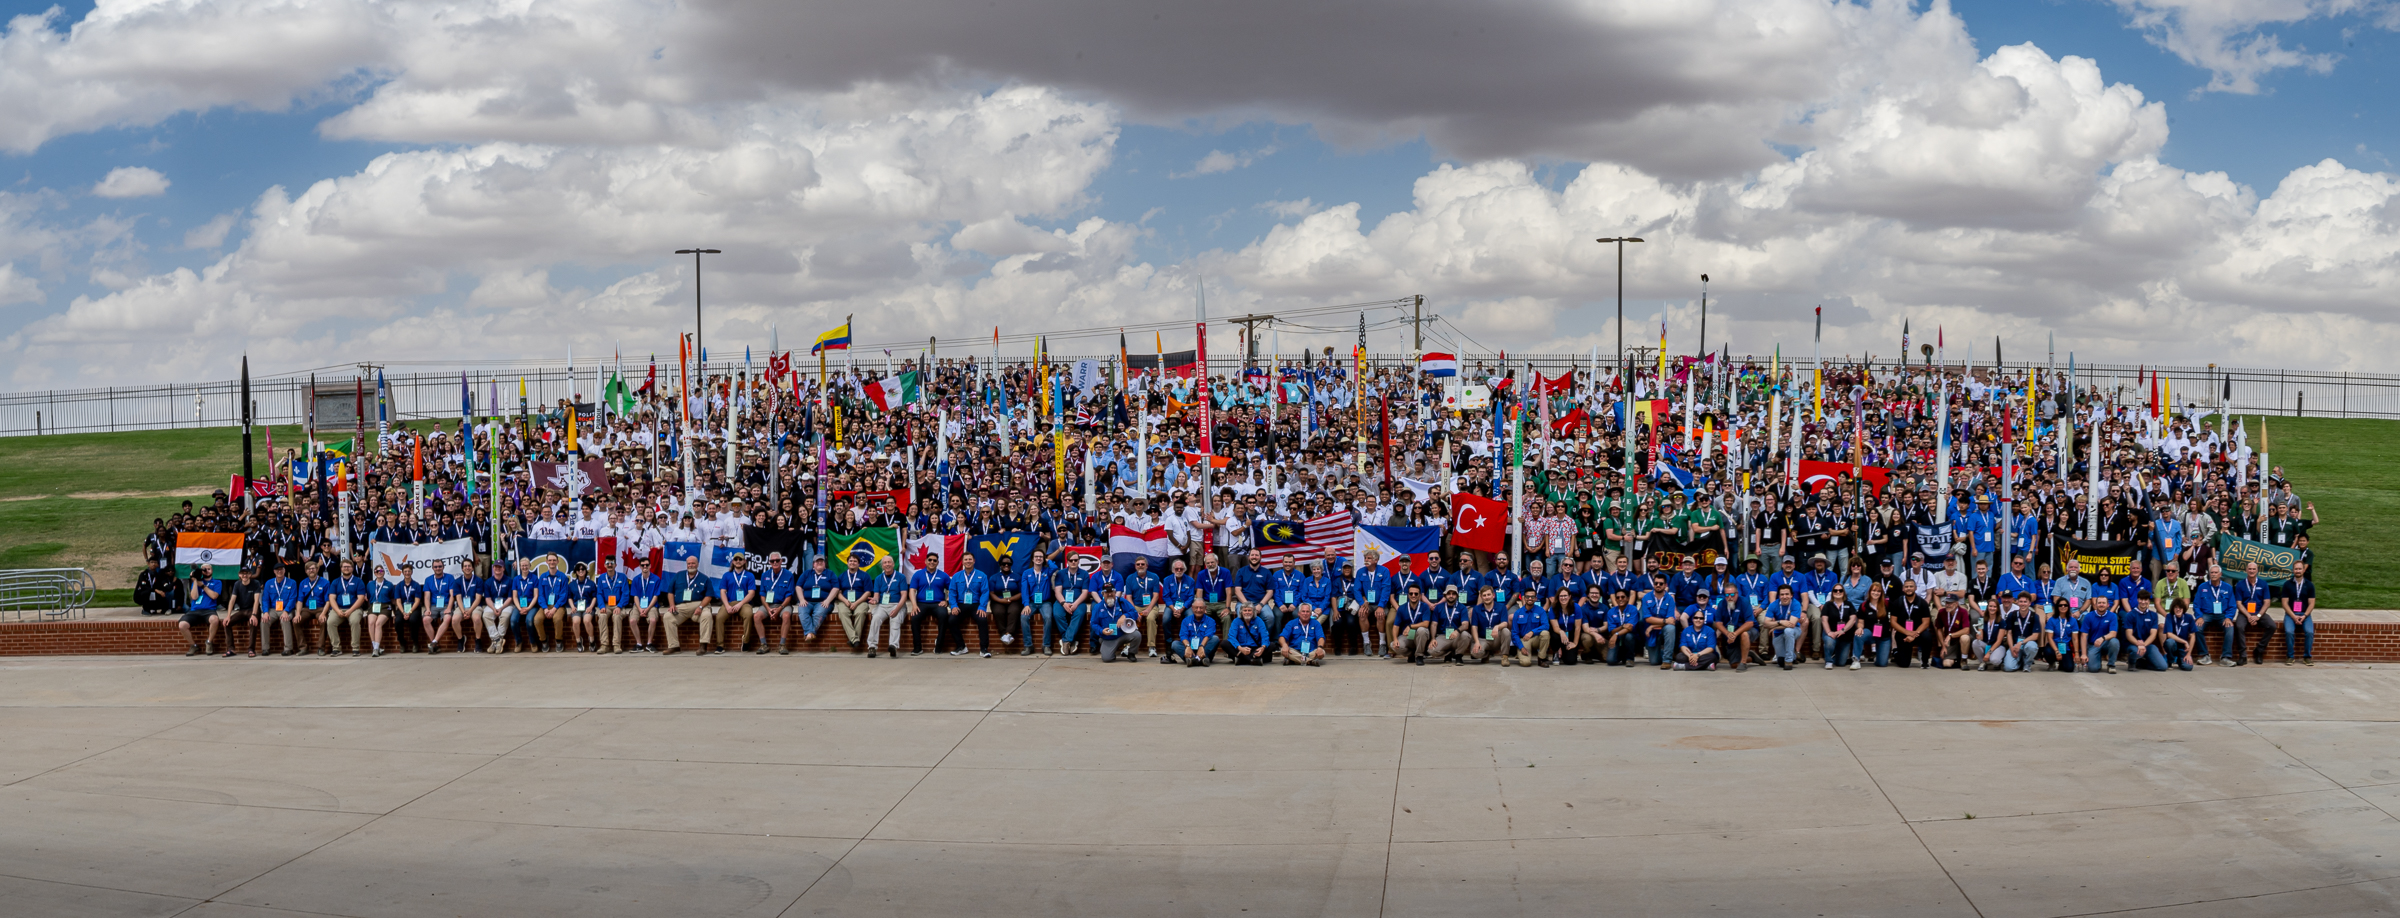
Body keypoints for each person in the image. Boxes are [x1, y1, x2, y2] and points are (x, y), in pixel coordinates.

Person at [660, 556, 713, 655]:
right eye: (689, 563)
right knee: (668, 617)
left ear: (697, 564)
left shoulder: (704, 578)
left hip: (699, 605)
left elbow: (709, 596)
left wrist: (700, 607)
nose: (691, 565)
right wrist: (671, 605)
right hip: (681, 607)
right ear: (686, 564)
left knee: (707, 616)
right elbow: (670, 592)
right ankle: (674, 646)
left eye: (693, 563)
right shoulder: (678, 576)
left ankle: (703, 646)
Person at [2230, 561, 2275, 666]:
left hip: (2260, 612)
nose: (2251, 571)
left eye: (2254, 569)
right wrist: (2249, 616)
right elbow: (2239, 603)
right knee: (2239, 626)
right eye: (2249, 569)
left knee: (2272, 626)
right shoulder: (2240, 584)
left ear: (2257, 570)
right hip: (2245, 613)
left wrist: (2258, 616)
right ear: (2246, 570)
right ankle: (2243, 655)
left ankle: (2259, 650)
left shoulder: (2263, 584)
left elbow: (2267, 602)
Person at [865, 558, 905, 658]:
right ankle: (872, 647)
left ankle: (893, 646)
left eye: (889, 562)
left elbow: (904, 596)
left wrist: (897, 610)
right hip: (882, 605)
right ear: (882, 566)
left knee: (895, 620)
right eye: (885, 563)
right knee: (875, 619)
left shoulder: (901, 577)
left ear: (893, 564)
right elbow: (877, 596)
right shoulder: (878, 578)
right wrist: (874, 600)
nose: (887, 564)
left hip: (897, 604)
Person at [1091, 585, 1143, 662]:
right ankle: (1110, 651)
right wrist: (1102, 631)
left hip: (1123, 634)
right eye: (1106, 592)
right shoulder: (1098, 607)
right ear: (1103, 594)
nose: (1109, 594)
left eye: (1111, 592)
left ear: (1115, 592)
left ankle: (1131, 653)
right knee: (1107, 659)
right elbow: (1093, 624)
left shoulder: (1122, 601)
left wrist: (1124, 616)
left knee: (1137, 635)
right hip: (1109, 637)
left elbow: (1134, 613)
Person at [179, 564, 222, 656]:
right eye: (204, 569)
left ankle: (209, 642)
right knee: (182, 625)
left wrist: (203, 586)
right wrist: (195, 581)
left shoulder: (217, 582)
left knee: (214, 620)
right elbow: (194, 597)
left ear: (212, 570)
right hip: (195, 610)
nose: (207, 570)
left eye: (209, 569)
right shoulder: (197, 582)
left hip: (209, 610)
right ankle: (193, 645)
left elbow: (214, 596)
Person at [327, 558, 366, 656]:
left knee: (354, 621)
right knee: (330, 622)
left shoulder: (358, 581)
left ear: (352, 568)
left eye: (348, 567)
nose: (346, 568)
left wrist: (350, 610)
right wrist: (337, 610)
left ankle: (355, 648)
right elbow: (332, 598)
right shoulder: (335, 582)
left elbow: (361, 599)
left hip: (354, 609)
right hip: (338, 609)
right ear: (341, 568)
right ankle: (336, 648)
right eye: (344, 567)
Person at [1759, 585, 1805, 670]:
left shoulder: (1796, 604)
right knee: (1780, 662)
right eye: (1782, 594)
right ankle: (1794, 656)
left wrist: (1774, 627)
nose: (1784, 597)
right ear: (1779, 596)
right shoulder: (1773, 605)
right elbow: (1765, 624)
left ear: (1791, 595)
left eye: (1787, 594)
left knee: (1788, 631)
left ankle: (1789, 661)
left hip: (1795, 630)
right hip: (1778, 633)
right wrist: (1780, 622)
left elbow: (1791, 625)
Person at [2282, 561, 2317, 666]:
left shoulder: (2309, 585)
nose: (2298, 571)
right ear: (2293, 570)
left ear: (2303, 570)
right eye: (2296, 569)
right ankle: (2290, 656)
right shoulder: (2287, 584)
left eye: (2300, 569)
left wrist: (2304, 615)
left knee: (2310, 632)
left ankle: (2307, 657)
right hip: (2290, 614)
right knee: (2289, 631)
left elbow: (2311, 603)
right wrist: (2293, 616)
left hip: (2305, 614)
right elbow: (2284, 603)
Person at [1506, 591, 1553, 667]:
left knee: (1545, 633)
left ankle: (1541, 658)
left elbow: (1546, 626)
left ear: (1536, 598)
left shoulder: (1541, 611)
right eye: (1527, 597)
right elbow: (1514, 633)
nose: (1530, 598)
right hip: (1524, 640)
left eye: (1532, 597)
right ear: (1524, 598)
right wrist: (1521, 647)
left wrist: (1532, 632)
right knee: (1525, 663)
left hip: (1536, 639)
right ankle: (1520, 652)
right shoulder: (1518, 613)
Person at [1171, 599, 1219, 666]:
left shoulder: (1211, 621)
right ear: (1192, 608)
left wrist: (1201, 646)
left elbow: (1208, 635)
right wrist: (1187, 647)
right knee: (1174, 644)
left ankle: (1192, 660)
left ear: (1205, 608)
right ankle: (1200, 660)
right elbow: (1183, 636)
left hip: (1204, 649)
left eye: (1201, 608)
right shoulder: (1186, 621)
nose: (1198, 610)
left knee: (1215, 639)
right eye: (1196, 607)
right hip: (1190, 648)